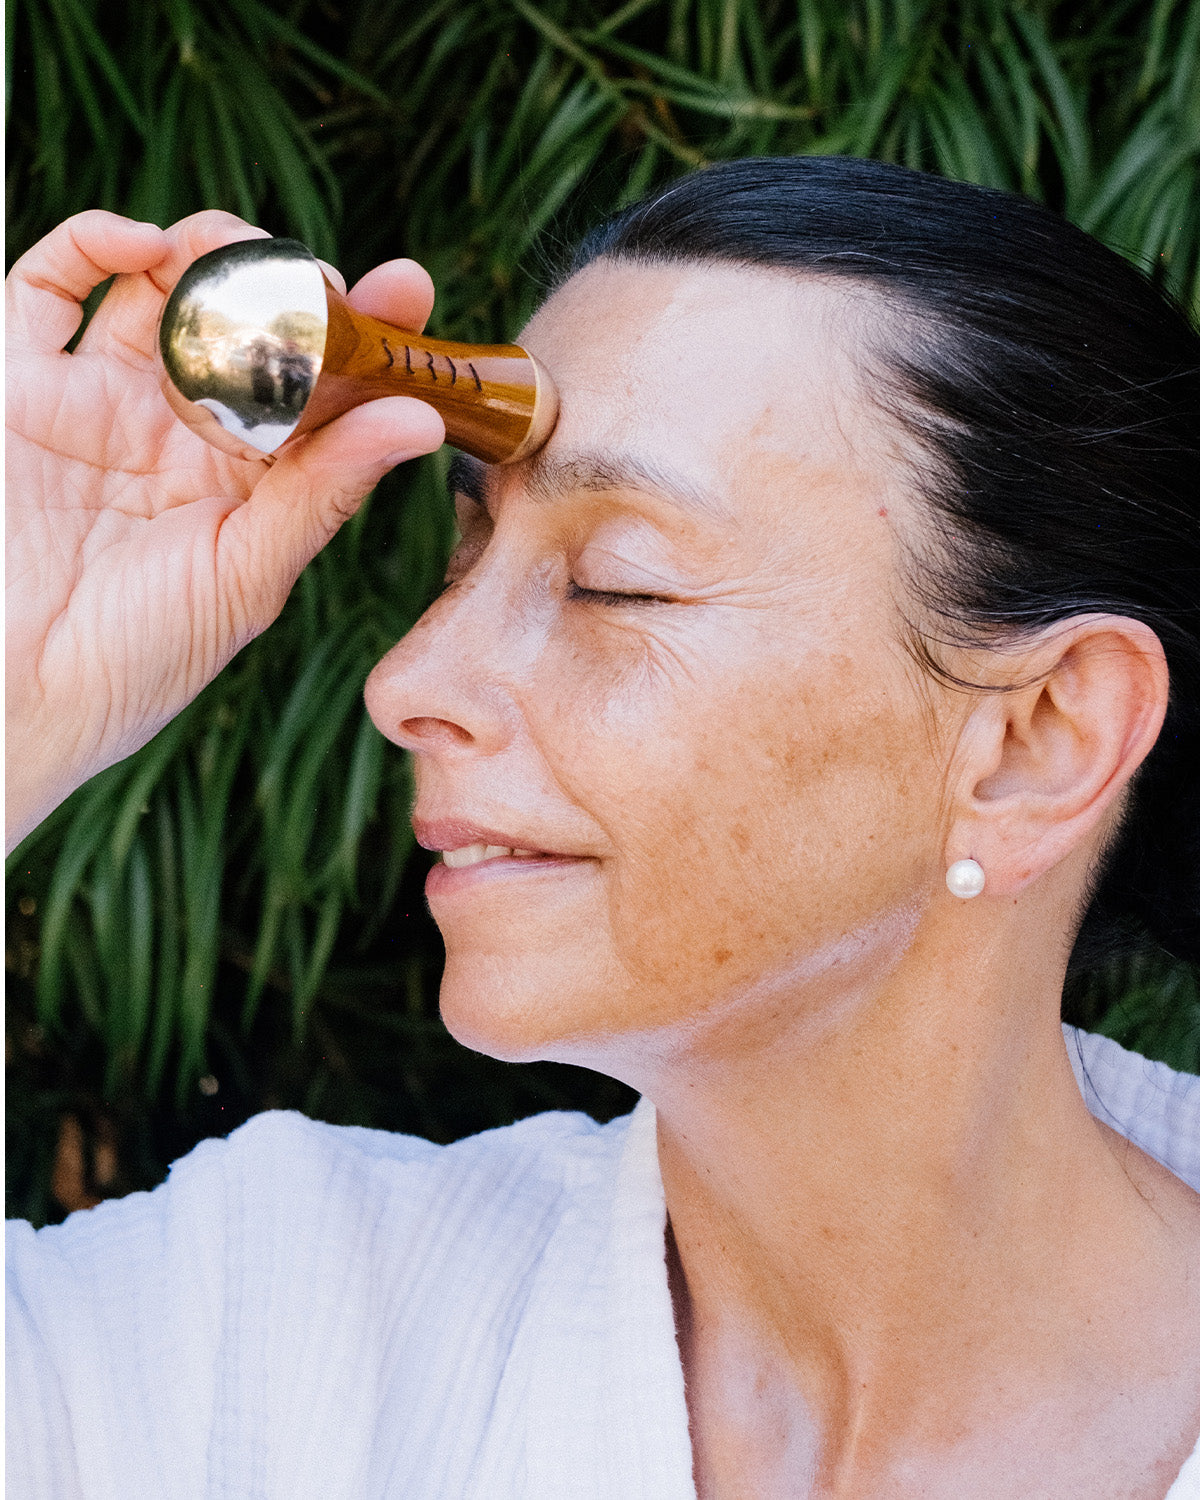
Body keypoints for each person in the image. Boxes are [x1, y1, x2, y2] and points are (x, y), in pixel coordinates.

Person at [6, 157, 1200, 1499]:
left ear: (1039, 740)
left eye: (617, 585)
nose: (408, 684)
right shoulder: (264, 1334)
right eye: (468, 553)